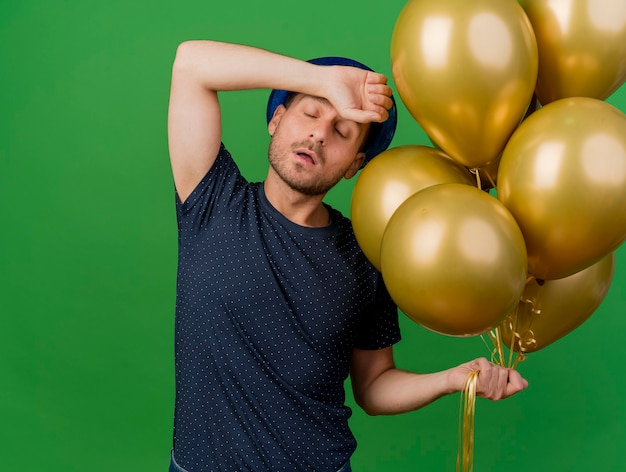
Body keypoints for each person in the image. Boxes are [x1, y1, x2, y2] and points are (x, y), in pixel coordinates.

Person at [167, 40, 528, 472]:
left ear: (355, 164)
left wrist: (452, 379)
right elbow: (191, 63)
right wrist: (322, 80)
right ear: (277, 119)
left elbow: (374, 386)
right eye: (310, 112)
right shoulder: (211, 199)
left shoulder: (366, 254)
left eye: (342, 131)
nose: (319, 133)